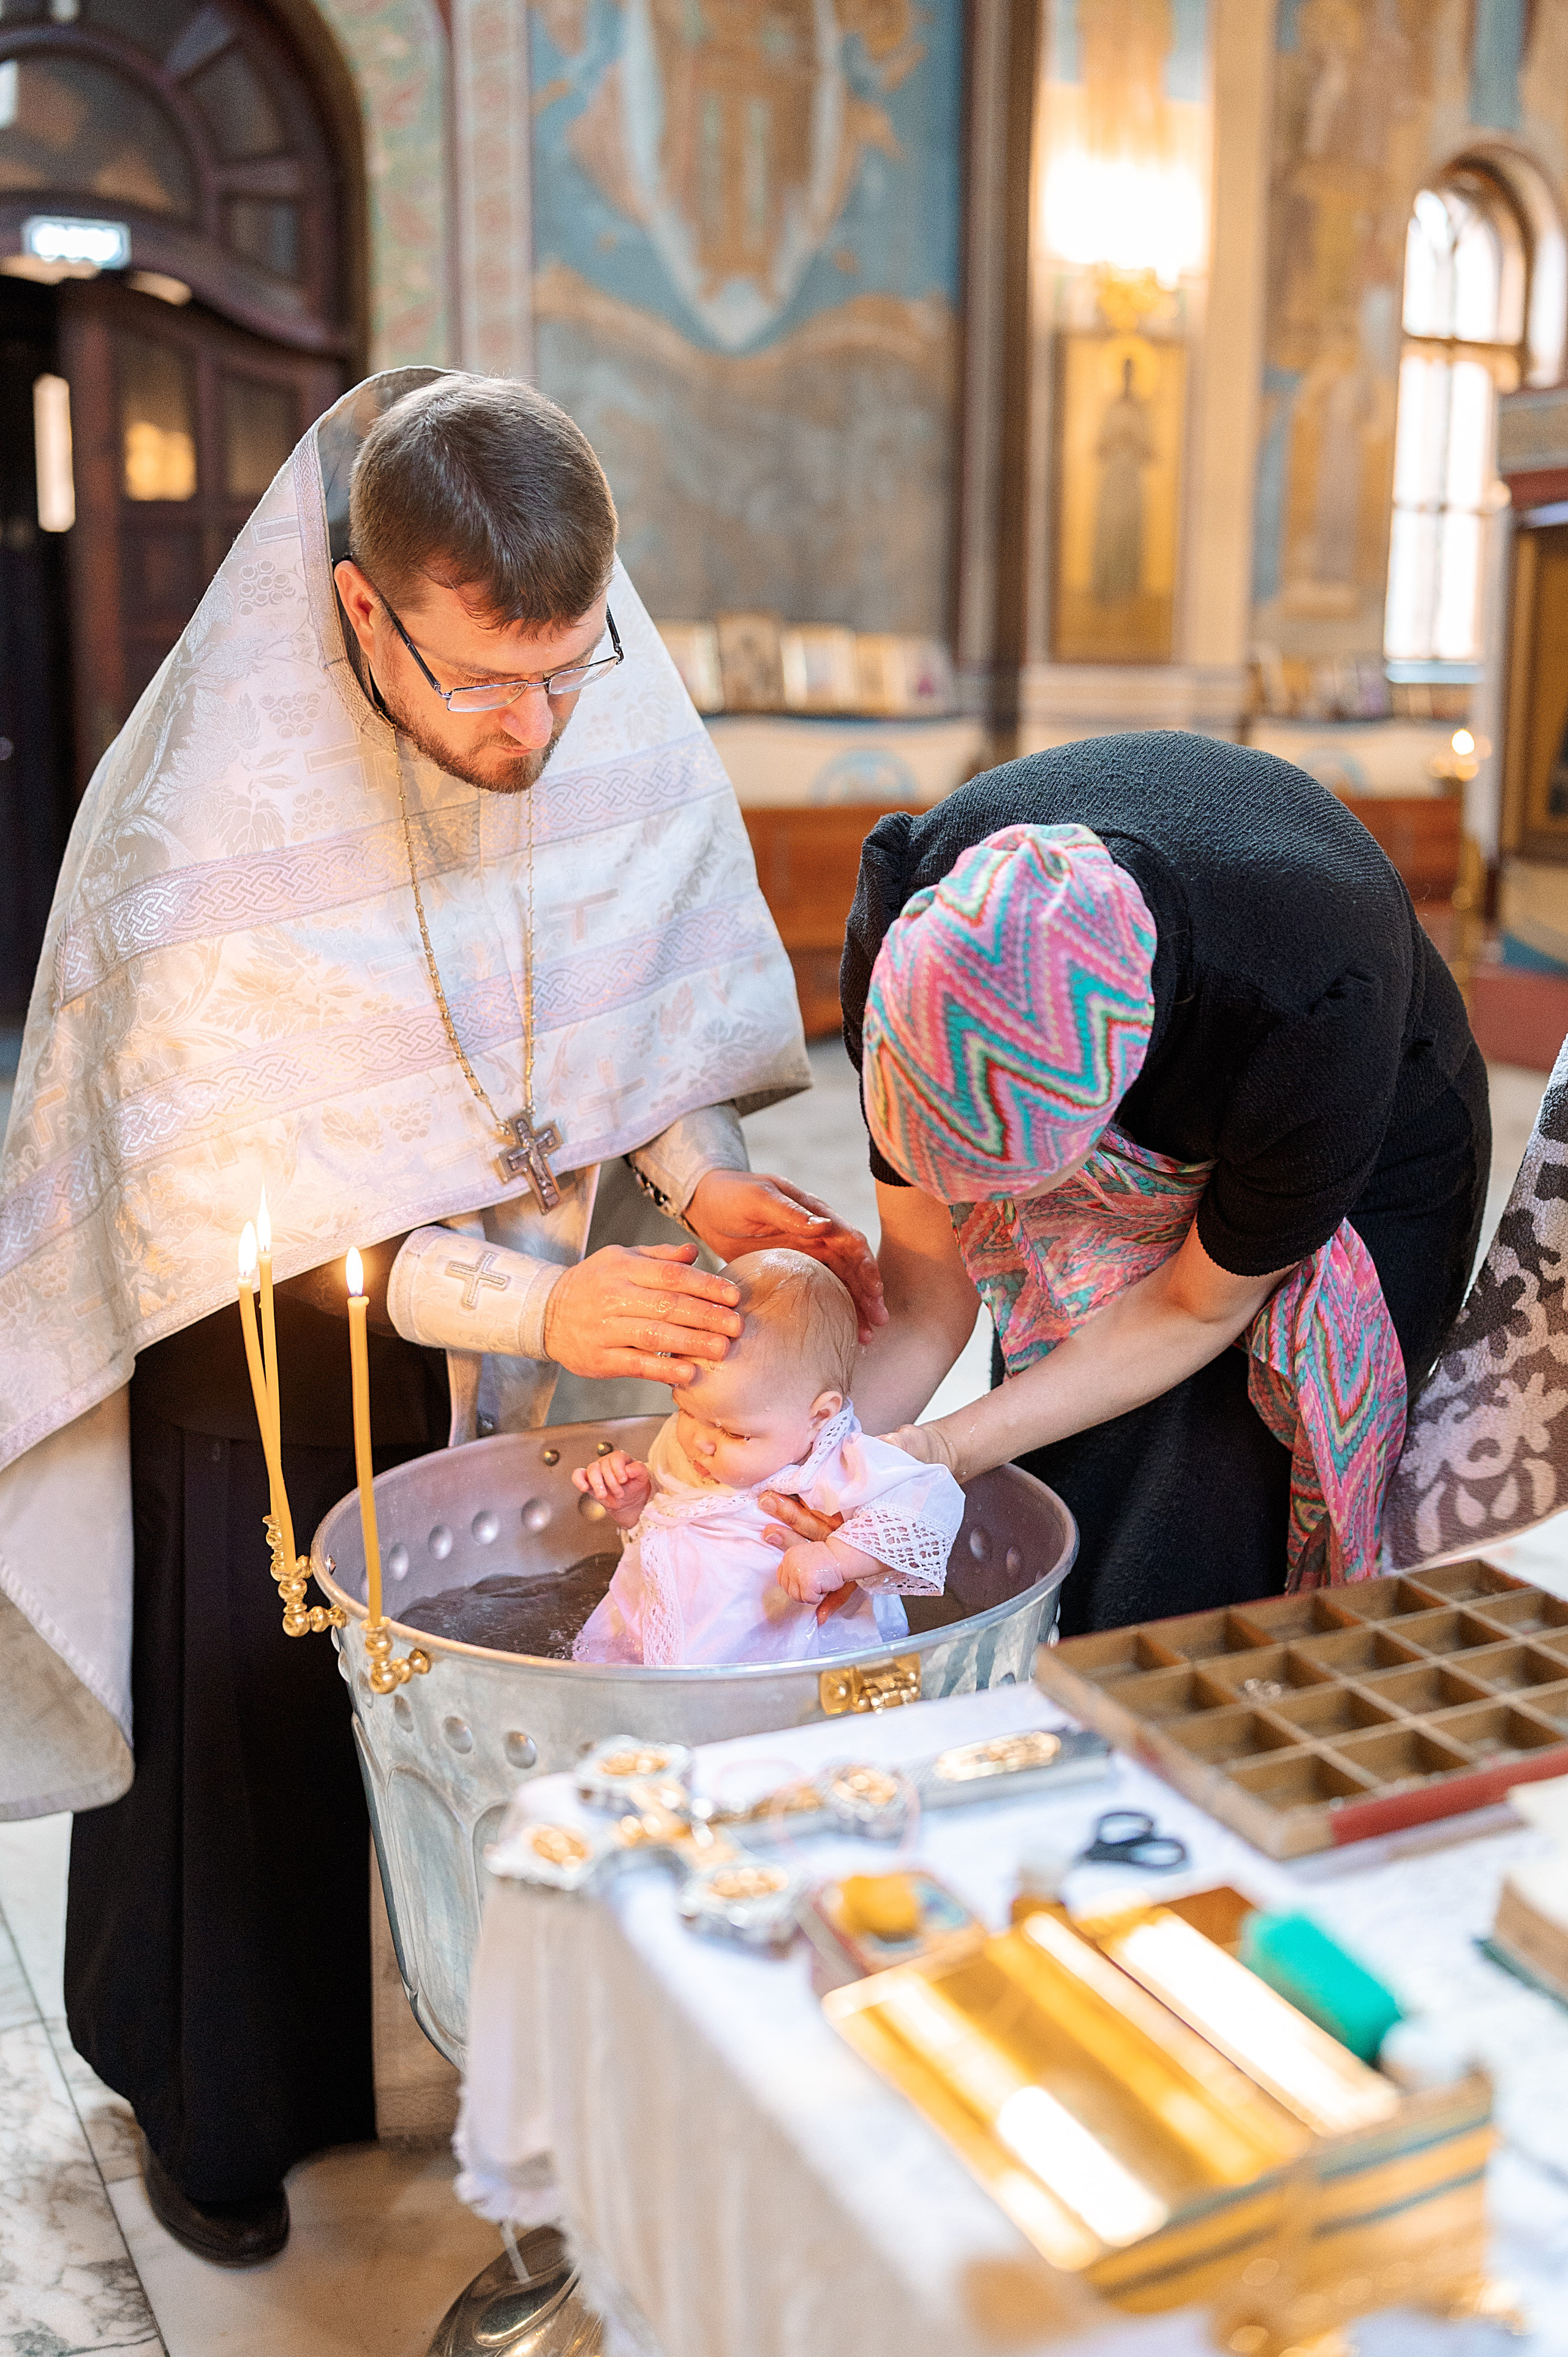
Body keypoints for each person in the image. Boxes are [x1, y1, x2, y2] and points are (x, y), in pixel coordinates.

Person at [0, 369, 880, 2264]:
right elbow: (245, 1206)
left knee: (490, 1700)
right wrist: (545, 1291)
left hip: (521, 1338)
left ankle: (477, 2070)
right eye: (483, 684)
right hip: (270, 1362)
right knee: (265, 1717)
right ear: (357, 611)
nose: (535, 729)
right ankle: (220, 2113)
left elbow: (631, 1002)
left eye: (568, 673)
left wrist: (700, 1160)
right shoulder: (193, 839)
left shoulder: (590, 713)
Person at [763, 734, 1489, 1634]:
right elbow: (925, 1294)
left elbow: (1194, 1309)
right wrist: (800, 1468)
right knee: (1072, 1475)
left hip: (1372, 1145)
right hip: (1170, 1057)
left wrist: (943, 1446)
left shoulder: (1312, 1006)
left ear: (1106, 1127)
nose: (1015, 1231)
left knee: (1198, 1540)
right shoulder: (909, 922)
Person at [572, 1251, 962, 1665]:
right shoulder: (708, 1431)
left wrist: (837, 1559)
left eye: (735, 1433)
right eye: (686, 1410)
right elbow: (670, 1516)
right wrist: (635, 1503)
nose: (700, 1441)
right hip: (656, 1633)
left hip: (769, 1656)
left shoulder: (832, 1465)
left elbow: (925, 1502)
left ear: (819, 1416)